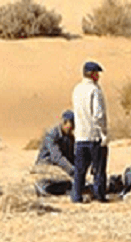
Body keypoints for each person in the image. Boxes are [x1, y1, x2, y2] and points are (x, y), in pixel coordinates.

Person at [71, 60, 109, 203]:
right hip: (94, 135)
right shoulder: (94, 90)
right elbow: (98, 114)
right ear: (92, 74)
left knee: (80, 169)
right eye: (97, 74)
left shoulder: (76, 89)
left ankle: (76, 196)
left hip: (80, 135)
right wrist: (104, 132)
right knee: (98, 169)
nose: (98, 76)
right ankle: (99, 195)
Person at [33, 110, 76, 196]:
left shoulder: (69, 137)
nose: (73, 128)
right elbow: (56, 157)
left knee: (71, 185)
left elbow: (70, 157)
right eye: (71, 125)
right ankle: (43, 187)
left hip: (60, 167)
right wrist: (72, 170)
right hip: (46, 166)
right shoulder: (52, 134)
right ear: (65, 122)